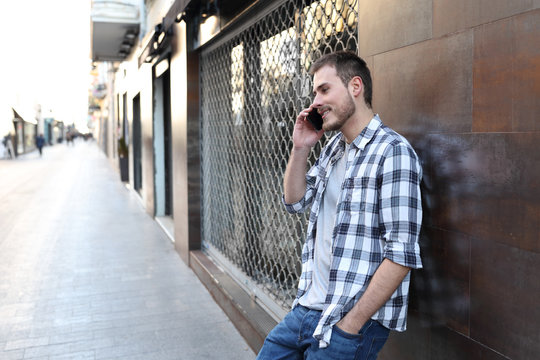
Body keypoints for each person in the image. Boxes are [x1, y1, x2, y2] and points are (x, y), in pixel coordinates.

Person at [256, 51, 423, 359]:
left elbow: (401, 255)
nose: (315, 101)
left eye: (324, 89)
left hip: (348, 321)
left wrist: (350, 325)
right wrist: (299, 147)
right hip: (307, 309)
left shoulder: (393, 153)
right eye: (315, 91)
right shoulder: (334, 148)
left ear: (355, 87)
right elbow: (295, 202)